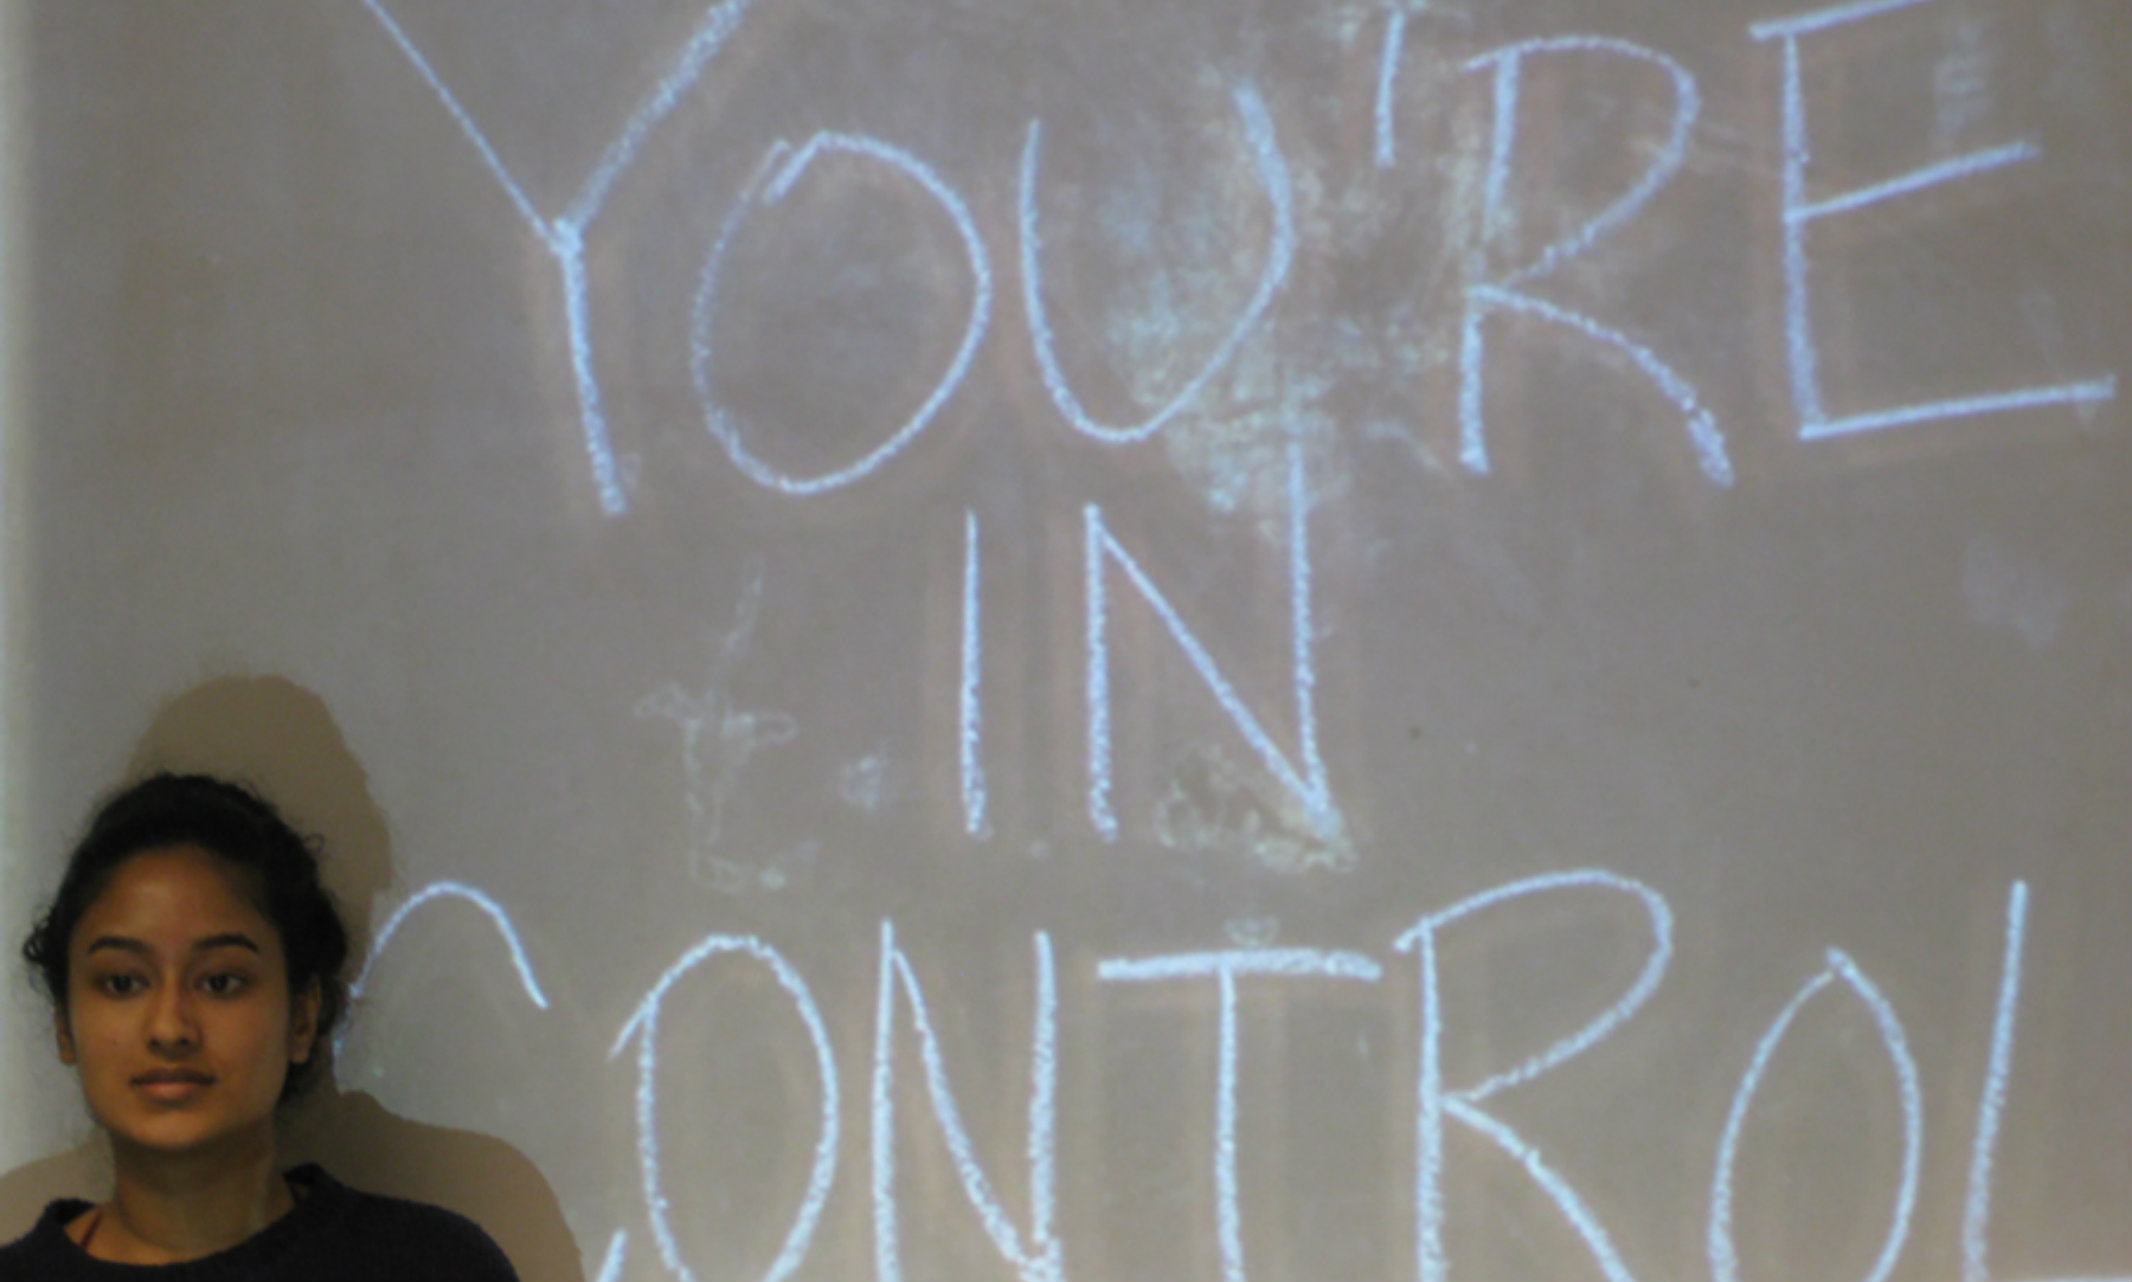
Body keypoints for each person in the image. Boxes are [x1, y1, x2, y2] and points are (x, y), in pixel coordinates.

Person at [0, 773, 520, 1279]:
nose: (169, 1028)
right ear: (64, 1025)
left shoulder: (434, 1266)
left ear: (301, 1017)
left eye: (221, 982)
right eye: (122, 984)